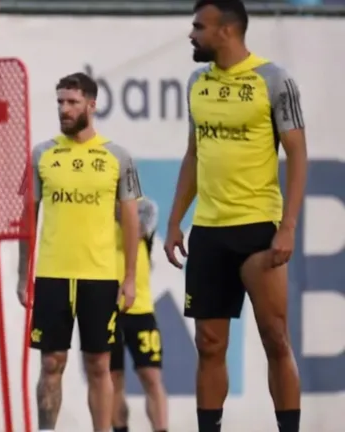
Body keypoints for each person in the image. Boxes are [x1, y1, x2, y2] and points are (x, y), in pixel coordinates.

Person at [163, 1, 306, 431]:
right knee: (209, 345)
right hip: (208, 230)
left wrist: (288, 227)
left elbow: (297, 154)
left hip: (258, 228)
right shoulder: (196, 82)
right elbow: (193, 154)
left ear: (226, 30)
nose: (191, 34)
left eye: (198, 27)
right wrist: (175, 221)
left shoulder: (273, 80)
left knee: (275, 339)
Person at [16, 72, 142, 432]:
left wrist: (130, 278)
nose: (64, 109)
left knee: (99, 366)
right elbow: (28, 219)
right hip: (53, 275)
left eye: (71, 102)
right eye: (60, 102)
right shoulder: (42, 153)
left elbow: (131, 222)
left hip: (100, 277)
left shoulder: (117, 156)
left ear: (92, 104)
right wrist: (23, 275)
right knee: (51, 363)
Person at [110, 196, 168, 432]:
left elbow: (136, 228)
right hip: (106, 309)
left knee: (152, 377)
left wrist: (107, 204)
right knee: (113, 381)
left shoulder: (144, 206)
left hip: (141, 307)